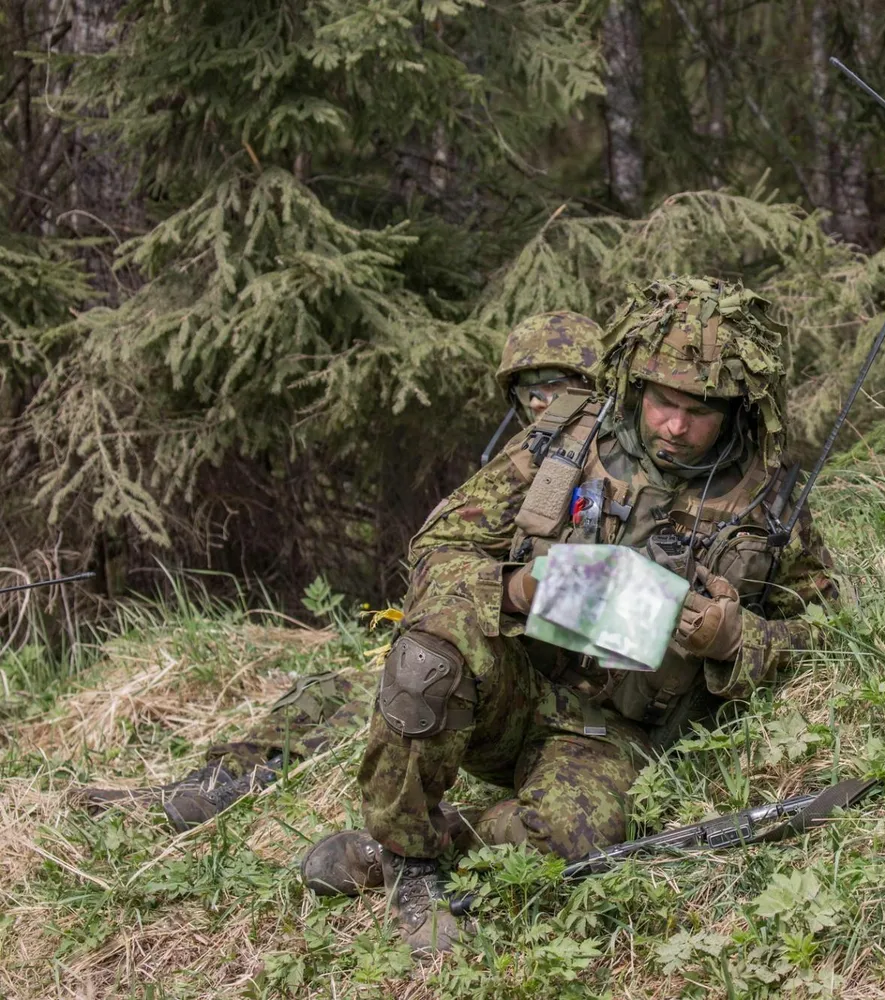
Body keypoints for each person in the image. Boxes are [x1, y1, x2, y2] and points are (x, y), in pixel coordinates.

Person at [299, 277, 836, 954]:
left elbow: (823, 631)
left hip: (612, 733)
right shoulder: (565, 443)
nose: (674, 425)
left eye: (700, 410)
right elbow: (438, 545)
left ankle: (448, 837)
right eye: (661, 401)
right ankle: (410, 868)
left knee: (576, 847)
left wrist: (738, 639)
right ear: (634, 386)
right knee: (429, 651)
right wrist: (517, 588)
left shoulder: (770, 501)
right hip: (515, 686)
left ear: (736, 408)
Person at [76, 311, 607, 831]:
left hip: (552, 693)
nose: (540, 402)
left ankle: (373, 825)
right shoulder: (523, 463)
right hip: (491, 662)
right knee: (330, 691)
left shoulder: (613, 469)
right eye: (527, 390)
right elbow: (436, 552)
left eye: (555, 385)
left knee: (415, 691)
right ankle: (207, 784)